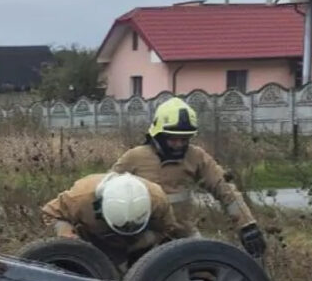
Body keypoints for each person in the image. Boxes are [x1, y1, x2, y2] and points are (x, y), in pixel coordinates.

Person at [111, 96, 266, 257]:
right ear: (158, 134)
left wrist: (247, 225)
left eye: (184, 139)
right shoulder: (134, 158)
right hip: (141, 238)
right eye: (173, 139)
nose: (179, 144)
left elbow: (224, 187)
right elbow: (106, 190)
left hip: (182, 235)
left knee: (207, 263)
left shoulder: (196, 156)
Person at [40, 170, 192, 273]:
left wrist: (146, 242)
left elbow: (167, 229)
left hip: (138, 244)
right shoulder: (80, 198)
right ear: (100, 208)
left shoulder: (158, 200)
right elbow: (51, 213)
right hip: (92, 239)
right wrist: (65, 233)